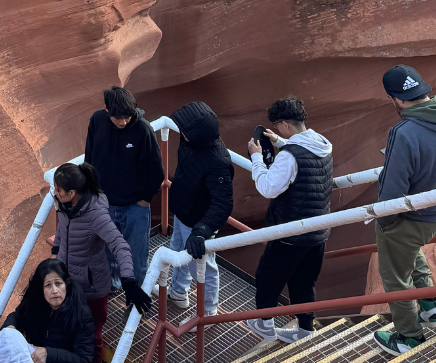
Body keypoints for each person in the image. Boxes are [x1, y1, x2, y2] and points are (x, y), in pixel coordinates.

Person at [51, 161, 151, 363]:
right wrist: (55, 253)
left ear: (72, 193)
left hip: (92, 288)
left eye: (58, 189)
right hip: (68, 282)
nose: (54, 193)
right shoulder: (65, 206)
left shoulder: (96, 215)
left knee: (92, 335)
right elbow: (61, 231)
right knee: (68, 327)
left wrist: (129, 281)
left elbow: (120, 246)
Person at [243, 97, 333, 344]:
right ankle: (305, 329)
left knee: (268, 277)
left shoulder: (289, 156)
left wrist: (257, 158)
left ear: (282, 123)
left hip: (290, 232)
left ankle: (265, 323)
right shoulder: (323, 143)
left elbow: (268, 188)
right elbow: (304, 157)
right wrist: (279, 142)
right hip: (317, 231)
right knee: (304, 281)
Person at [372, 65, 436, 356]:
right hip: (432, 216)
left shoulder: (404, 131)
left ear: (396, 99)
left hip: (409, 217)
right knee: (412, 252)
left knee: (396, 277)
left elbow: (393, 190)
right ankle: (430, 305)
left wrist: (384, 221)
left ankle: (409, 338)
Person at [84, 86, 164, 286]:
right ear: (106, 110)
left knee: (136, 257)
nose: (123, 121)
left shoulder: (143, 130)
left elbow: (156, 171)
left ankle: (136, 302)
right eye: (117, 117)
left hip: (135, 207)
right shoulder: (96, 121)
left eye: (127, 117)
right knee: (106, 250)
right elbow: (89, 158)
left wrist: (145, 200)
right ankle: (111, 284)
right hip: (103, 203)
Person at [4, 258, 95, 363]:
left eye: (58, 284)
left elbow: (83, 360)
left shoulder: (80, 313)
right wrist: (9, 328)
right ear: (41, 289)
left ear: (66, 284)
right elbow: (17, 315)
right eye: (48, 286)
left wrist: (48, 353)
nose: (54, 291)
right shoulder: (35, 304)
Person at [166, 102, 234, 316]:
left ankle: (208, 312)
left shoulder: (218, 162)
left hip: (197, 224)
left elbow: (223, 204)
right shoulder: (191, 141)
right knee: (177, 252)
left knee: (204, 269)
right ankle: (178, 292)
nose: (181, 132)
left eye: (186, 130)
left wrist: (202, 231)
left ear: (199, 134)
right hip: (182, 213)